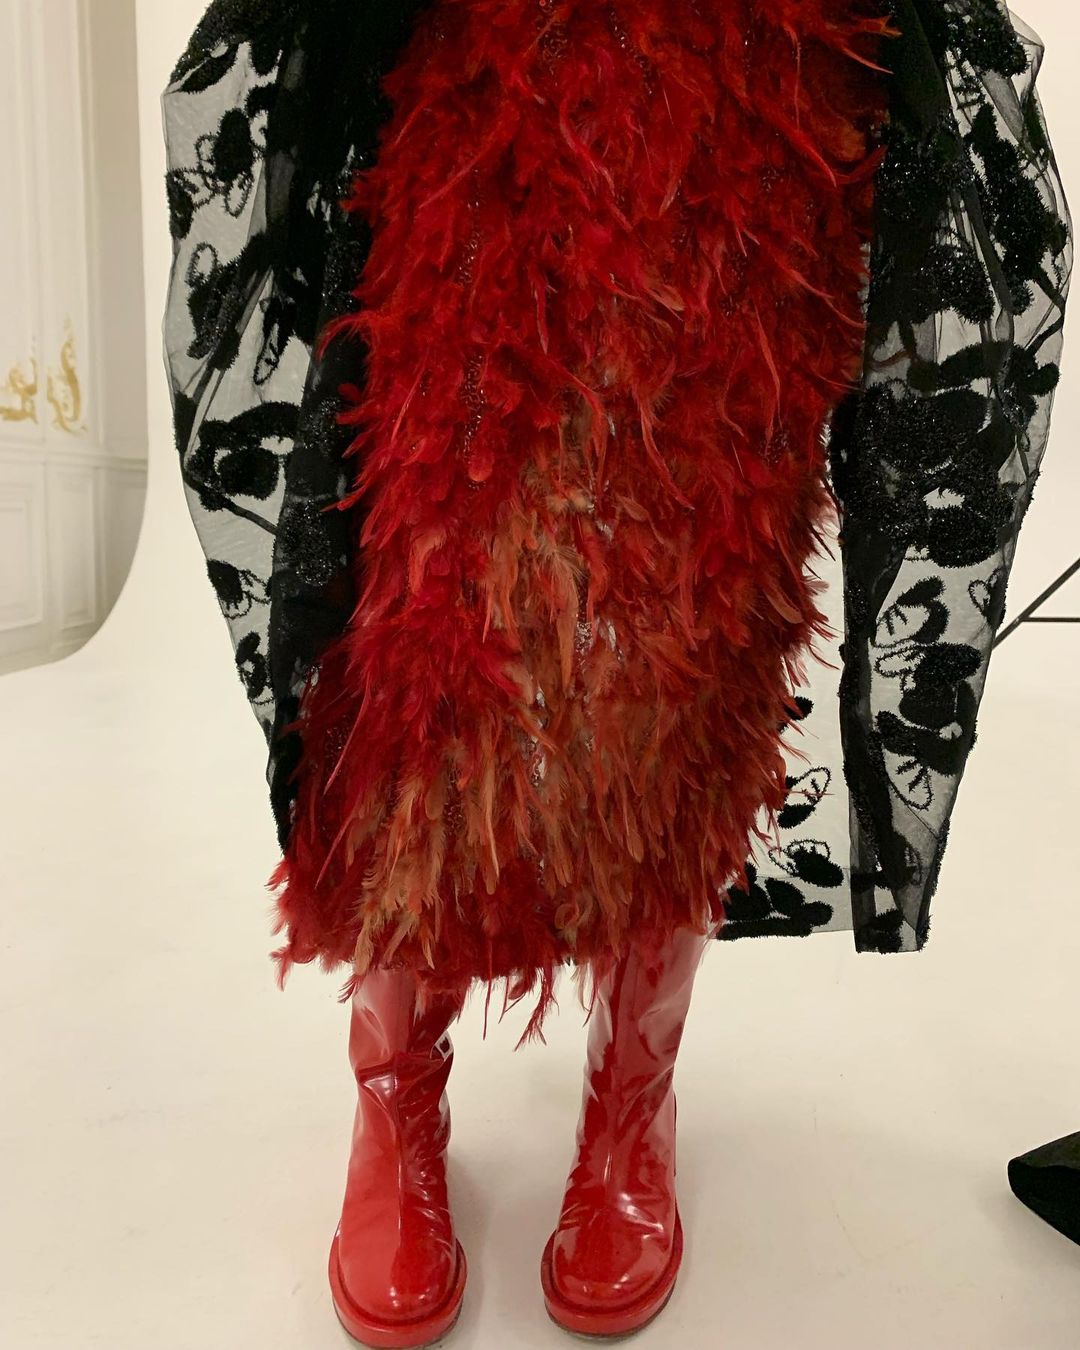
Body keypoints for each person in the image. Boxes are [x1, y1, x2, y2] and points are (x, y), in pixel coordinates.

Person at [163, 2, 1070, 1344]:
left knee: (695, 618)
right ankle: (395, 1095)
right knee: (424, 616)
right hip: (480, 75)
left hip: (747, 88)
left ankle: (631, 1104)